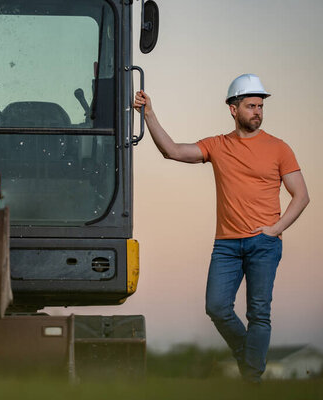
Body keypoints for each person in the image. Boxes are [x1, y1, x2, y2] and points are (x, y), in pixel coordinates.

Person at [133, 73, 310, 383]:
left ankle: (251, 380)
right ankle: (249, 359)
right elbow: (172, 150)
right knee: (216, 307)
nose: (258, 111)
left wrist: (275, 228)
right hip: (226, 244)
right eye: (251, 105)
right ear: (233, 108)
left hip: (264, 243)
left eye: (260, 106)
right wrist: (148, 114)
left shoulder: (279, 148)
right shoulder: (217, 145)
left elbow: (302, 196)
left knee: (259, 312)